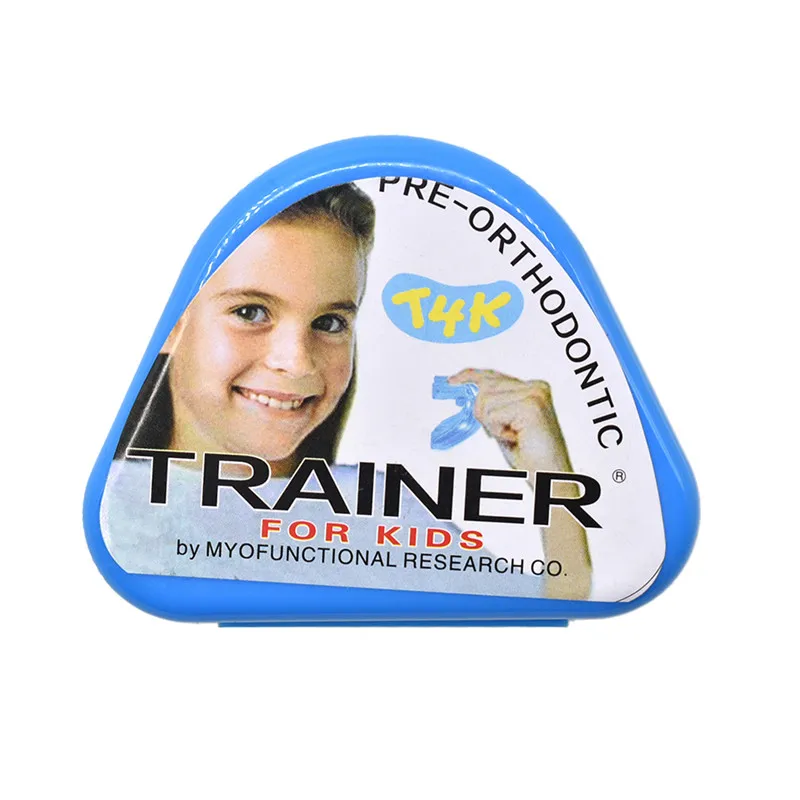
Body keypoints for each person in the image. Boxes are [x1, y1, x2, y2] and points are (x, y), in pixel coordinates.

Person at [103, 183, 590, 600]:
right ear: (170, 321)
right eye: (250, 312)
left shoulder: (387, 511)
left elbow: (556, 601)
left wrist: (551, 476)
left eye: (330, 322)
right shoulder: (110, 516)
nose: (297, 362)